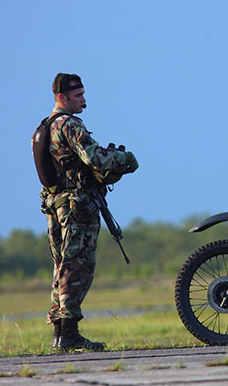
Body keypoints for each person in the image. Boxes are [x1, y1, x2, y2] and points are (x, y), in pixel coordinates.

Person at [33, 73, 138, 351]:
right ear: (61, 98)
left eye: (82, 94)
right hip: (76, 206)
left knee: (62, 266)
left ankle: (62, 334)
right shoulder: (69, 125)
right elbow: (96, 158)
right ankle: (68, 334)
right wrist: (126, 160)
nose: (83, 100)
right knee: (78, 266)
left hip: (55, 205)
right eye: (78, 96)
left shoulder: (45, 126)